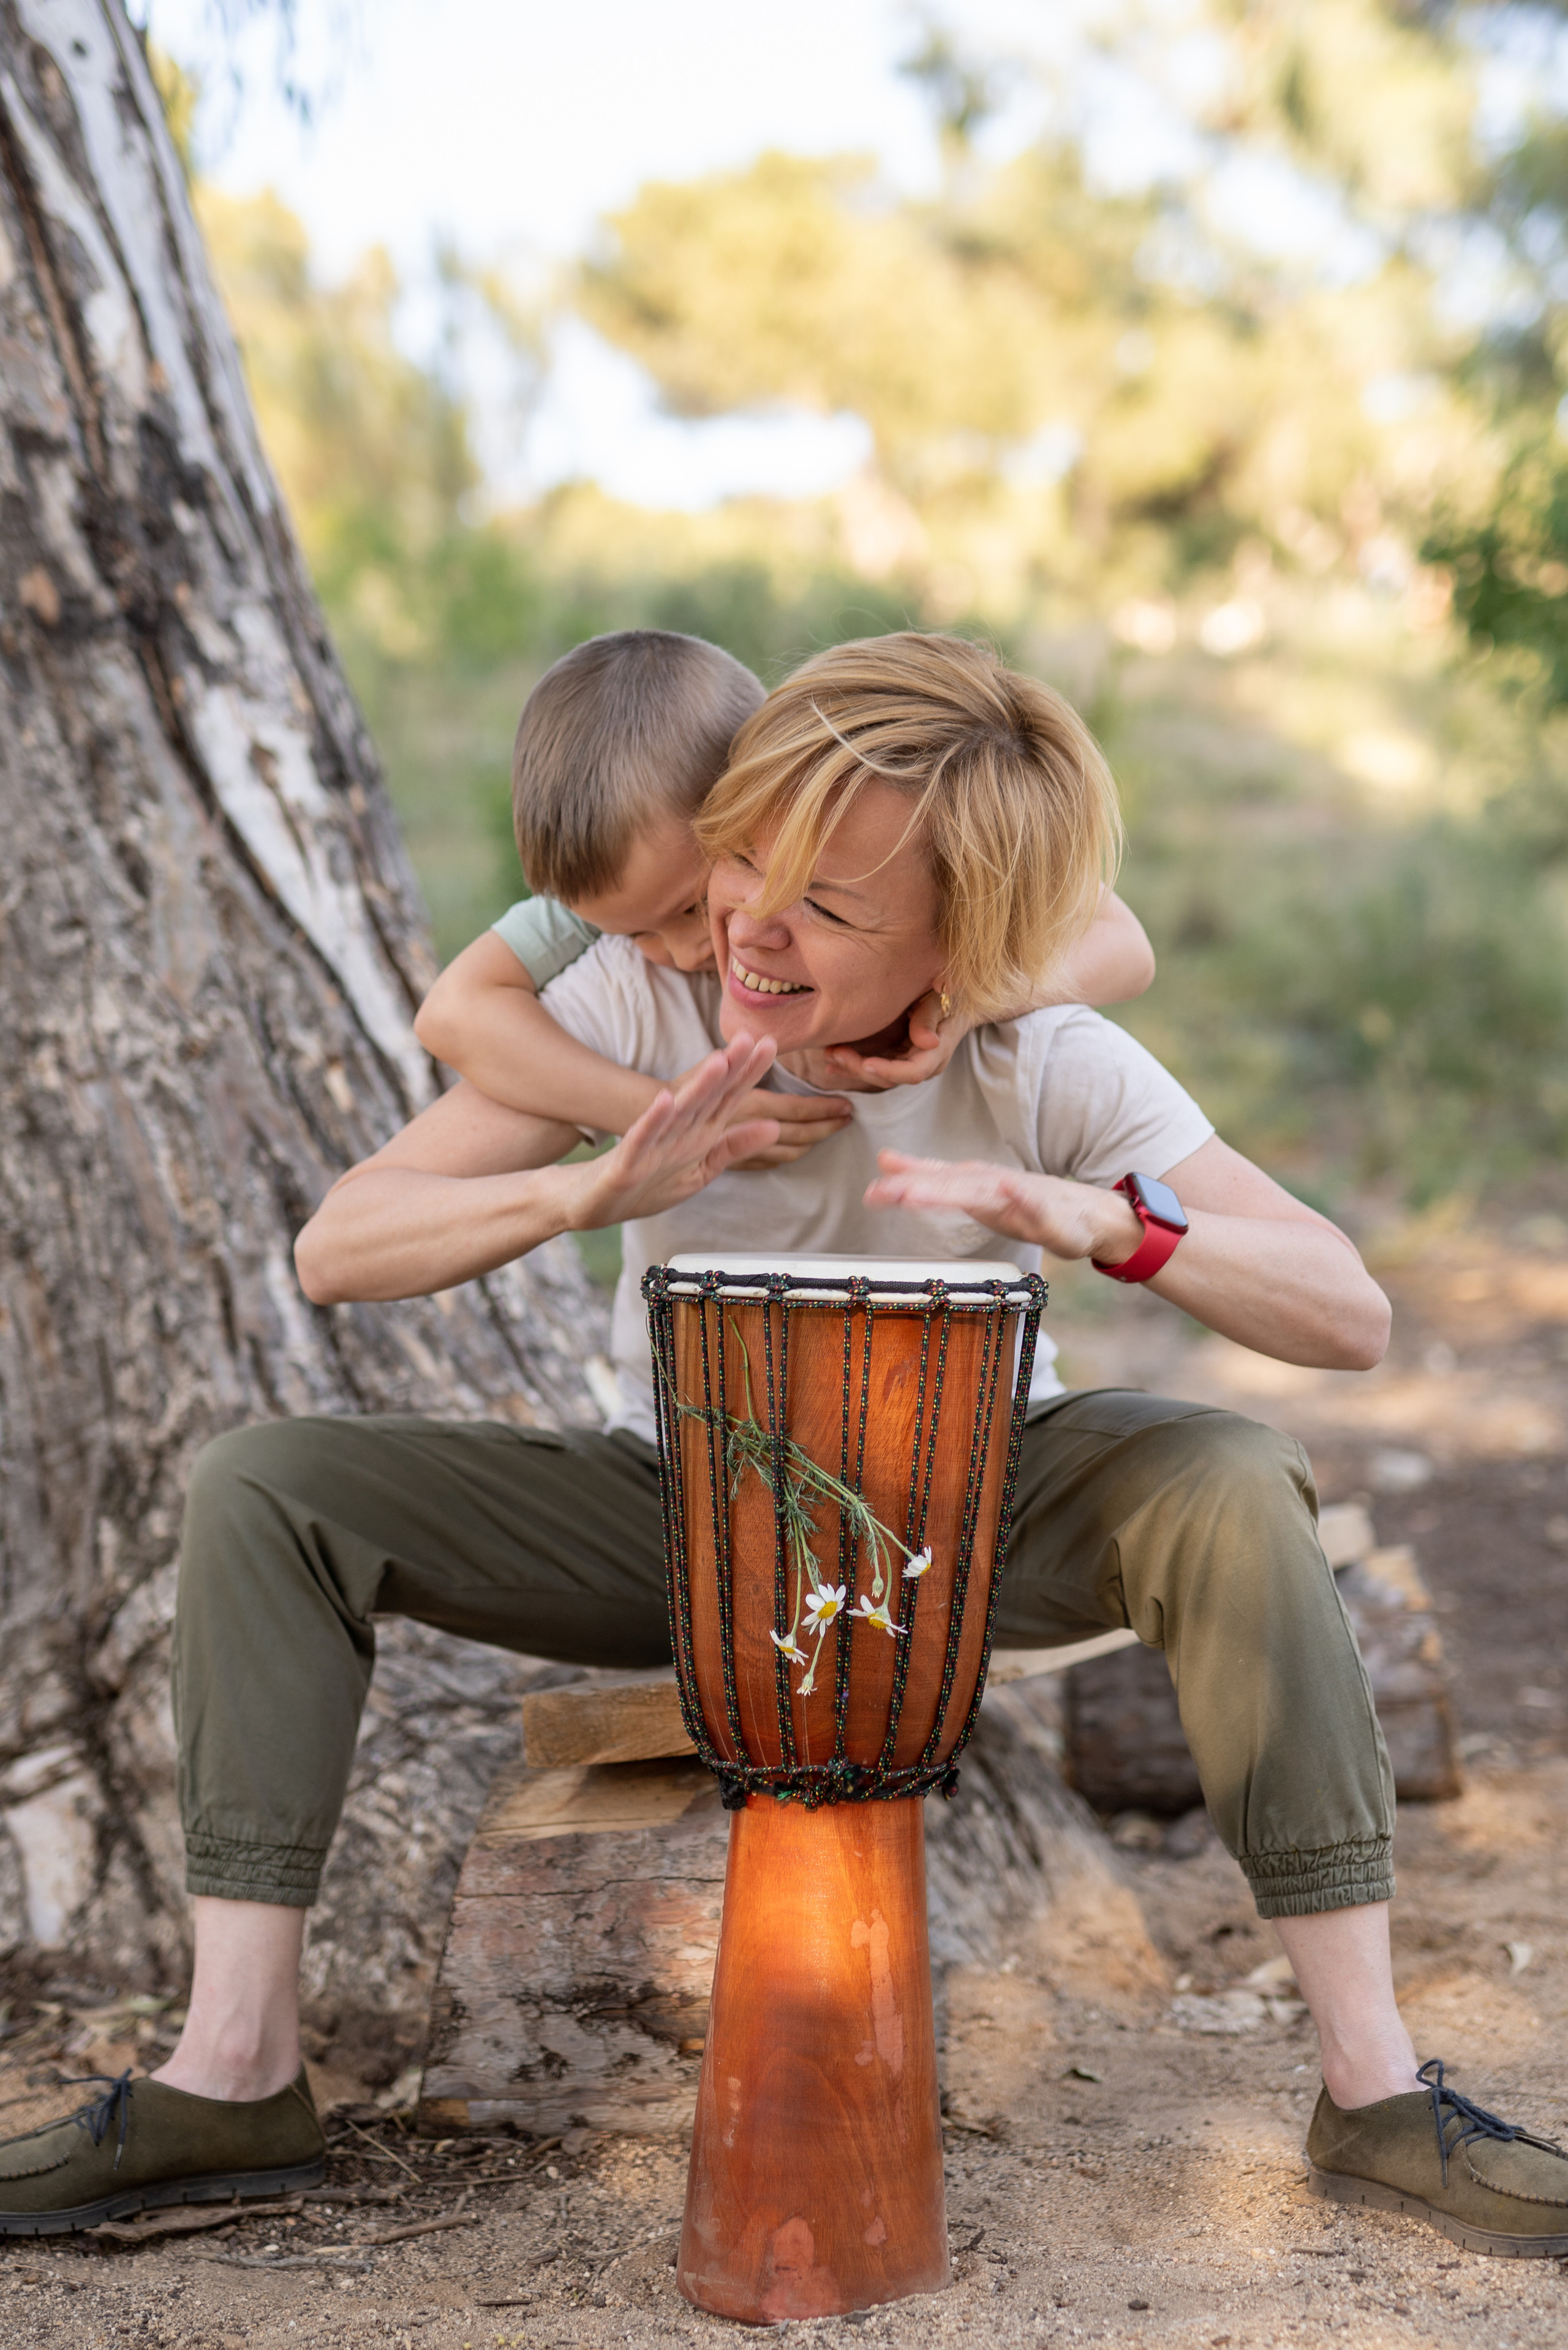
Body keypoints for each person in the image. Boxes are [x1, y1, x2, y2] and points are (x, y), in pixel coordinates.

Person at [4, 635, 1564, 2264]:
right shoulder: (641, 999)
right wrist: (596, 1183)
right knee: (269, 1487)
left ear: (959, 945)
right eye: (749, 856)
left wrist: (1104, 1222)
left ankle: (1374, 2093)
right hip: (677, 1515)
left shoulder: (1042, 1052)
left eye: (829, 906)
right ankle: (233, 2074)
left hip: (970, 1520)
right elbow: (342, 1246)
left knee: (1233, 1478)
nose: (750, 920)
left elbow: (1347, 1311)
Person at [412, 627, 1157, 1144]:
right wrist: (667, 1110)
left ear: (747, 800)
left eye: (688, 906)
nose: (681, 951)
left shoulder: (844, 820)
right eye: (631, 935)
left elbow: (1125, 945)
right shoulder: (621, 882)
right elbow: (451, 1015)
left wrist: (963, 1005)